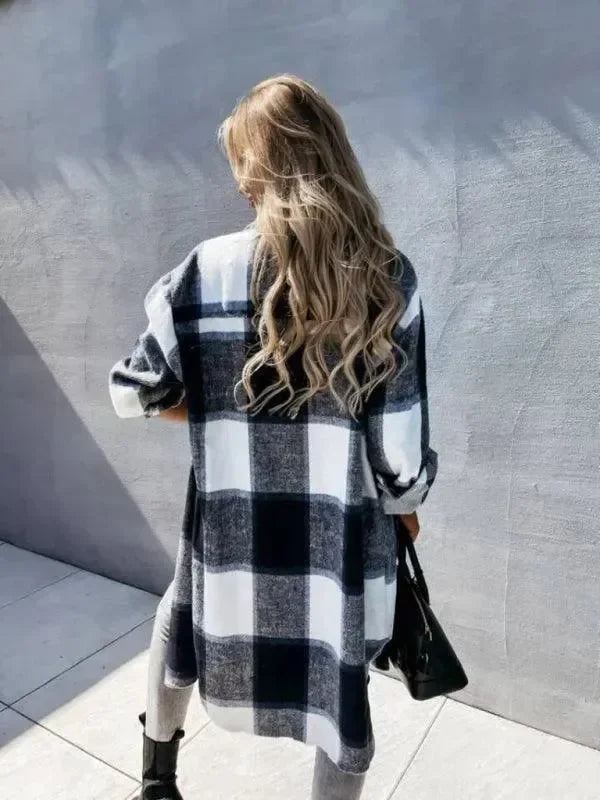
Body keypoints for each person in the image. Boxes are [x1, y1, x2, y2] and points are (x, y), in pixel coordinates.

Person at [108, 73, 438, 800]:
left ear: (261, 169)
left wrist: (218, 410)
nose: (237, 186)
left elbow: (133, 391)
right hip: (339, 532)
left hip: (231, 524)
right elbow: (399, 456)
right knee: (340, 688)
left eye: (241, 166)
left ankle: (156, 780)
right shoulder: (387, 278)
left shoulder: (202, 272)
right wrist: (408, 505)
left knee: (181, 616)